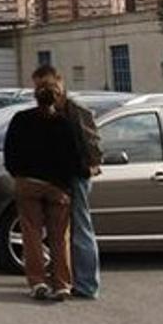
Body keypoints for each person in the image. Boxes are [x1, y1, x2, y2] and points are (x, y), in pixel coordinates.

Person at [4, 73, 88, 301]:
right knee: (60, 237)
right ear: (56, 96)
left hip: (28, 183)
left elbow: (10, 152)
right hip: (58, 187)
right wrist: (79, 175)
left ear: (35, 96)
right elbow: (77, 157)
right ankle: (62, 284)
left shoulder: (21, 119)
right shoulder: (65, 124)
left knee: (31, 234)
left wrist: (17, 173)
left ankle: (37, 281)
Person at [31, 65, 102, 300]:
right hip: (56, 178)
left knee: (81, 229)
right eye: (39, 86)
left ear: (60, 83)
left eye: (48, 85)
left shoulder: (75, 110)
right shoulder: (47, 109)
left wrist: (88, 169)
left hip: (76, 176)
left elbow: (92, 144)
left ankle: (87, 284)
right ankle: (63, 278)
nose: (45, 90)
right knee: (60, 231)